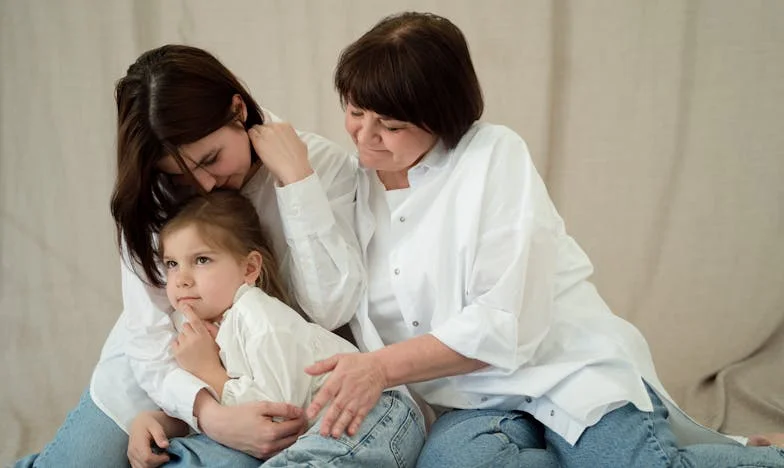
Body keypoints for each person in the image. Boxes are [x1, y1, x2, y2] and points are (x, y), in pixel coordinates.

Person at [295, 12, 784, 467]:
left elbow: (503, 323)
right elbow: (236, 123)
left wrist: (378, 368)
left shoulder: (492, 155)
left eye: (392, 126)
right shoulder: (350, 184)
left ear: (442, 118)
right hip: (468, 401)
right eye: (356, 112)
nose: (364, 136)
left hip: (566, 372)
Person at [14, 44, 364, 468]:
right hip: (159, 373)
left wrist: (295, 182)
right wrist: (208, 415)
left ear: (238, 110)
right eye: (181, 175)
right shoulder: (155, 193)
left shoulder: (318, 166)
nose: (204, 185)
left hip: (263, 383)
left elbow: (330, 309)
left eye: (211, 159)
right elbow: (146, 337)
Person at [125, 190, 424, 467]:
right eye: (172, 264)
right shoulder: (193, 332)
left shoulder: (259, 317)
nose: (182, 279)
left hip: (373, 410)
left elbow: (275, 420)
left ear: (249, 269)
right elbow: (216, 416)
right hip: (312, 435)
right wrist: (156, 421)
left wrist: (209, 373)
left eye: (201, 260)